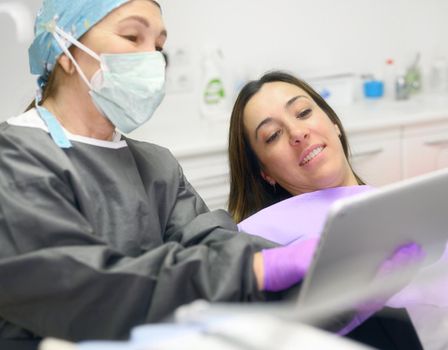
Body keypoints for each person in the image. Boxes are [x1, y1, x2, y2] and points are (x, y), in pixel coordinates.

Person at [0, 2, 320, 347]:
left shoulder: (155, 164)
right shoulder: (15, 157)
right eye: (132, 36)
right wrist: (252, 270)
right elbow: (75, 287)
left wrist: (317, 266)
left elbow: (215, 243)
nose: (153, 59)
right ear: (65, 49)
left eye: (158, 47)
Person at [227, 71, 448, 349]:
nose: (297, 133)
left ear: (334, 123)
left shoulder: (428, 210)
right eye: (273, 135)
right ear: (266, 173)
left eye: (303, 113)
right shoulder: (275, 261)